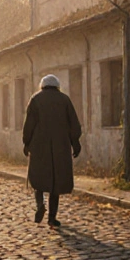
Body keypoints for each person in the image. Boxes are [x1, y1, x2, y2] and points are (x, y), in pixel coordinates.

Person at [22, 74, 82, 227]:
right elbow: (73, 123)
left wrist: (26, 143)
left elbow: (29, 124)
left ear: (42, 86)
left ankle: (40, 205)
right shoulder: (65, 100)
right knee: (56, 183)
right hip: (60, 147)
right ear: (57, 86)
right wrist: (75, 142)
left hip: (39, 145)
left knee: (38, 179)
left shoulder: (35, 100)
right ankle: (52, 218)